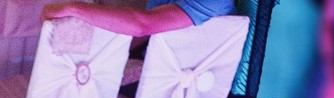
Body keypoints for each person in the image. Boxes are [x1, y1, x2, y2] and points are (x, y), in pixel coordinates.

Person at [42, 0, 239, 37]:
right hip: (154, 59)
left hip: (173, 80)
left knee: (81, 75)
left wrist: (74, 8)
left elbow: (144, 25)